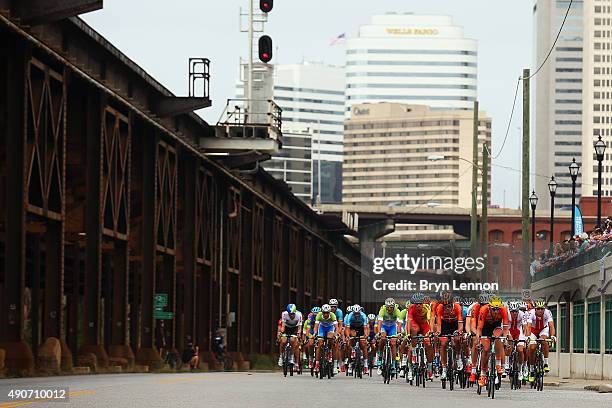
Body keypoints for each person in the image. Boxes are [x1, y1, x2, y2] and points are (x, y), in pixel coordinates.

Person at [476, 296, 509, 387]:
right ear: (490, 307)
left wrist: (505, 338)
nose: (496, 312)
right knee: (486, 349)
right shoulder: (484, 310)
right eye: (494, 310)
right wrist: (478, 338)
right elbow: (479, 328)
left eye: (497, 309)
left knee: (498, 338)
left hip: (496, 326)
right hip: (485, 326)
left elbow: (505, 328)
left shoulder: (503, 310)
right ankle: (483, 374)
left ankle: (498, 364)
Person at [434, 292, 464, 379]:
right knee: (443, 343)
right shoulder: (440, 307)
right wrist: (439, 332)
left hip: (455, 324)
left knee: (457, 339)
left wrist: (459, 331)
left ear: (452, 304)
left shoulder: (457, 307)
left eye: (449, 306)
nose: (447, 308)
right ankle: (444, 368)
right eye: (445, 306)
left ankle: (458, 357)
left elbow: (460, 323)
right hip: (445, 324)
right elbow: (439, 323)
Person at [526, 298, 556, 381]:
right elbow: (528, 325)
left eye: (542, 309)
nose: (540, 311)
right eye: (538, 309)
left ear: (544, 308)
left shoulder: (548, 312)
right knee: (532, 347)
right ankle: (531, 370)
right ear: (535, 309)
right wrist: (528, 336)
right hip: (533, 330)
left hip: (543, 329)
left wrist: (553, 336)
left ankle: (546, 363)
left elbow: (551, 325)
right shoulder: (530, 313)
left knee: (544, 341)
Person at [405, 292, 433, 380]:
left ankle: (429, 368)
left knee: (428, 344)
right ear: (414, 304)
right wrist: (408, 334)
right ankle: (410, 367)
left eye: (420, 304)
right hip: (415, 325)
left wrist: (431, 332)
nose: (418, 306)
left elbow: (429, 320)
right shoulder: (411, 308)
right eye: (416, 304)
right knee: (413, 331)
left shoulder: (427, 308)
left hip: (424, 326)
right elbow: (409, 321)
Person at [376, 297, 403, 376]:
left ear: (394, 307)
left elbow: (398, 324)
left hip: (392, 327)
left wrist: (398, 333)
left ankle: (394, 364)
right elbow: (380, 322)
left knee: (393, 343)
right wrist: (379, 332)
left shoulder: (397, 311)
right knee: (382, 339)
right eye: (387, 307)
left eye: (391, 307)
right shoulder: (382, 310)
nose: (389, 309)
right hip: (384, 327)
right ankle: (380, 360)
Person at [344, 303, 370, 375]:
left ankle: (365, 365)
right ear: (353, 313)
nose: (356, 315)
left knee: (363, 344)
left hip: (361, 328)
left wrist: (366, 336)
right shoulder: (349, 316)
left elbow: (366, 328)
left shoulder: (363, 316)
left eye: (358, 314)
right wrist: (348, 336)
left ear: (360, 312)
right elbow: (347, 329)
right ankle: (350, 364)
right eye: (355, 314)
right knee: (351, 340)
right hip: (352, 328)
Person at [507, 301, 529, 381]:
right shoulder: (507, 314)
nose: (514, 313)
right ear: (510, 311)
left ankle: (520, 370)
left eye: (516, 311)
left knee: (520, 349)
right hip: (509, 331)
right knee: (509, 346)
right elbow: (504, 327)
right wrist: (507, 336)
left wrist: (526, 336)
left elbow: (525, 326)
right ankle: (507, 363)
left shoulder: (522, 314)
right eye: (512, 312)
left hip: (518, 331)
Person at [314, 304, 338, 374]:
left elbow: (336, 327)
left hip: (330, 328)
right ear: (322, 312)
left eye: (327, 313)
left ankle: (329, 351)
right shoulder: (319, 315)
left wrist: (336, 335)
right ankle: (317, 364)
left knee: (330, 338)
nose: (325, 314)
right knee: (319, 344)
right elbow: (316, 326)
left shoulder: (333, 315)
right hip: (322, 328)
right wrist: (315, 333)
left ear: (329, 312)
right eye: (324, 312)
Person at [278, 303, 303, 370]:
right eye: (290, 314)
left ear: (295, 312)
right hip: (287, 328)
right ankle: (281, 356)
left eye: (292, 314)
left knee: (292, 340)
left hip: (295, 328)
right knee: (283, 341)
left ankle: (291, 357)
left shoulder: (299, 315)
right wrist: (281, 333)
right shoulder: (284, 314)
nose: (291, 315)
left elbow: (299, 328)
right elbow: (283, 326)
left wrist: (298, 333)